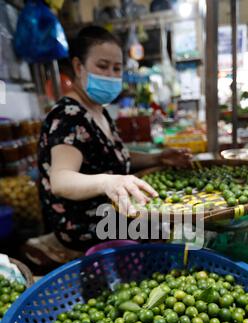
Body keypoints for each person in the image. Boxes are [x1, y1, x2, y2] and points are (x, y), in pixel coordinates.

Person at [23, 26, 191, 267]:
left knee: (180, 217)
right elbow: (60, 180)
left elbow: (114, 158)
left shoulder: (98, 112)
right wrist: (107, 182)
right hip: (85, 223)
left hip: (111, 211)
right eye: (102, 66)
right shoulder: (68, 117)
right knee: (177, 227)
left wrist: (159, 158)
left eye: (117, 68)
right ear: (79, 67)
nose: (111, 75)